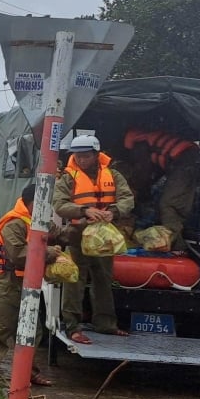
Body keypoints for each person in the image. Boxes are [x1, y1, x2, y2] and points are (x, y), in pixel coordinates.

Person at [0, 183, 65, 389]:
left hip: (31, 285)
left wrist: (82, 229)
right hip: (9, 284)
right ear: (31, 203)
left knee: (33, 331)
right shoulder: (14, 223)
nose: (48, 209)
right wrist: (51, 254)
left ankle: (30, 372)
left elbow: (60, 234)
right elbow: (18, 255)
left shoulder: (40, 221)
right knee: (0, 328)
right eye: (43, 204)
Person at [52, 134, 134, 344]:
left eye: (86, 156)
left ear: (97, 155)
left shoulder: (113, 175)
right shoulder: (68, 177)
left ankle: (106, 325)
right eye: (78, 156)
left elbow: (127, 199)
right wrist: (83, 211)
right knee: (75, 280)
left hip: (103, 236)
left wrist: (113, 212)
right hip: (77, 235)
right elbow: (59, 204)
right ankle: (73, 327)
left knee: (103, 278)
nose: (81, 160)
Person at [122, 128, 200, 247]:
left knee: (168, 205)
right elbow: (156, 169)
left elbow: (144, 172)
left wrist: (139, 191)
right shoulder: (149, 142)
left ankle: (174, 246)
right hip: (189, 161)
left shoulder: (139, 145)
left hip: (184, 163)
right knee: (169, 203)